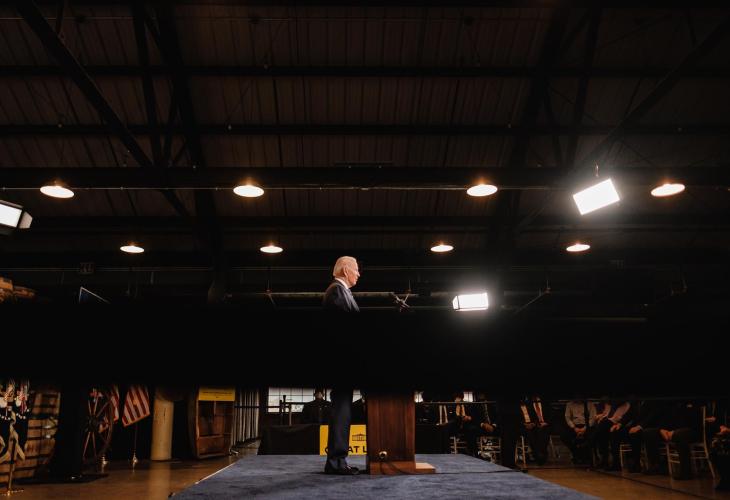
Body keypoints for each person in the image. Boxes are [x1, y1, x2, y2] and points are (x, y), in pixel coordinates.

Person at [323, 256, 360, 475]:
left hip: (344, 363)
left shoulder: (341, 291)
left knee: (343, 410)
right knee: (341, 411)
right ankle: (336, 461)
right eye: (356, 270)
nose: (358, 274)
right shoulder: (337, 291)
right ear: (346, 270)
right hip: (341, 363)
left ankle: (339, 460)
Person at [593, 399, 631, 470]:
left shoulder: (626, 405)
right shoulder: (614, 405)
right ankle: (604, 459)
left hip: (623, 427)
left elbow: (623, 418)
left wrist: (618, 424)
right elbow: (610, 417)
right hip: (612, 425)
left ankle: (615, 462)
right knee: (602, 431)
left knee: (605, 429)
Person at [562, 399, 597, 465]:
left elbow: (593, 418)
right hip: (574, 425)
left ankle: (586, 456)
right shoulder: (569, 404)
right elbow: (567, 418)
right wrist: (574, 427)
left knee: (593, 436)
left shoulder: (590, 404)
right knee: (564, 436)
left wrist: (585, 428)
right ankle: (576, 453)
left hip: (587, 425)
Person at [520, 395, 552, 465]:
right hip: (526, 426)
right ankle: (538, 454)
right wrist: (528, 424)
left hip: (544, 425)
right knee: (531, 434)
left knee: (543, 432)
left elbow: (551, 415)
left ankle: (540, 454)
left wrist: (544, 423)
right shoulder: (528, 404)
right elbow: (520, 419)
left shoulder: (545, 402)